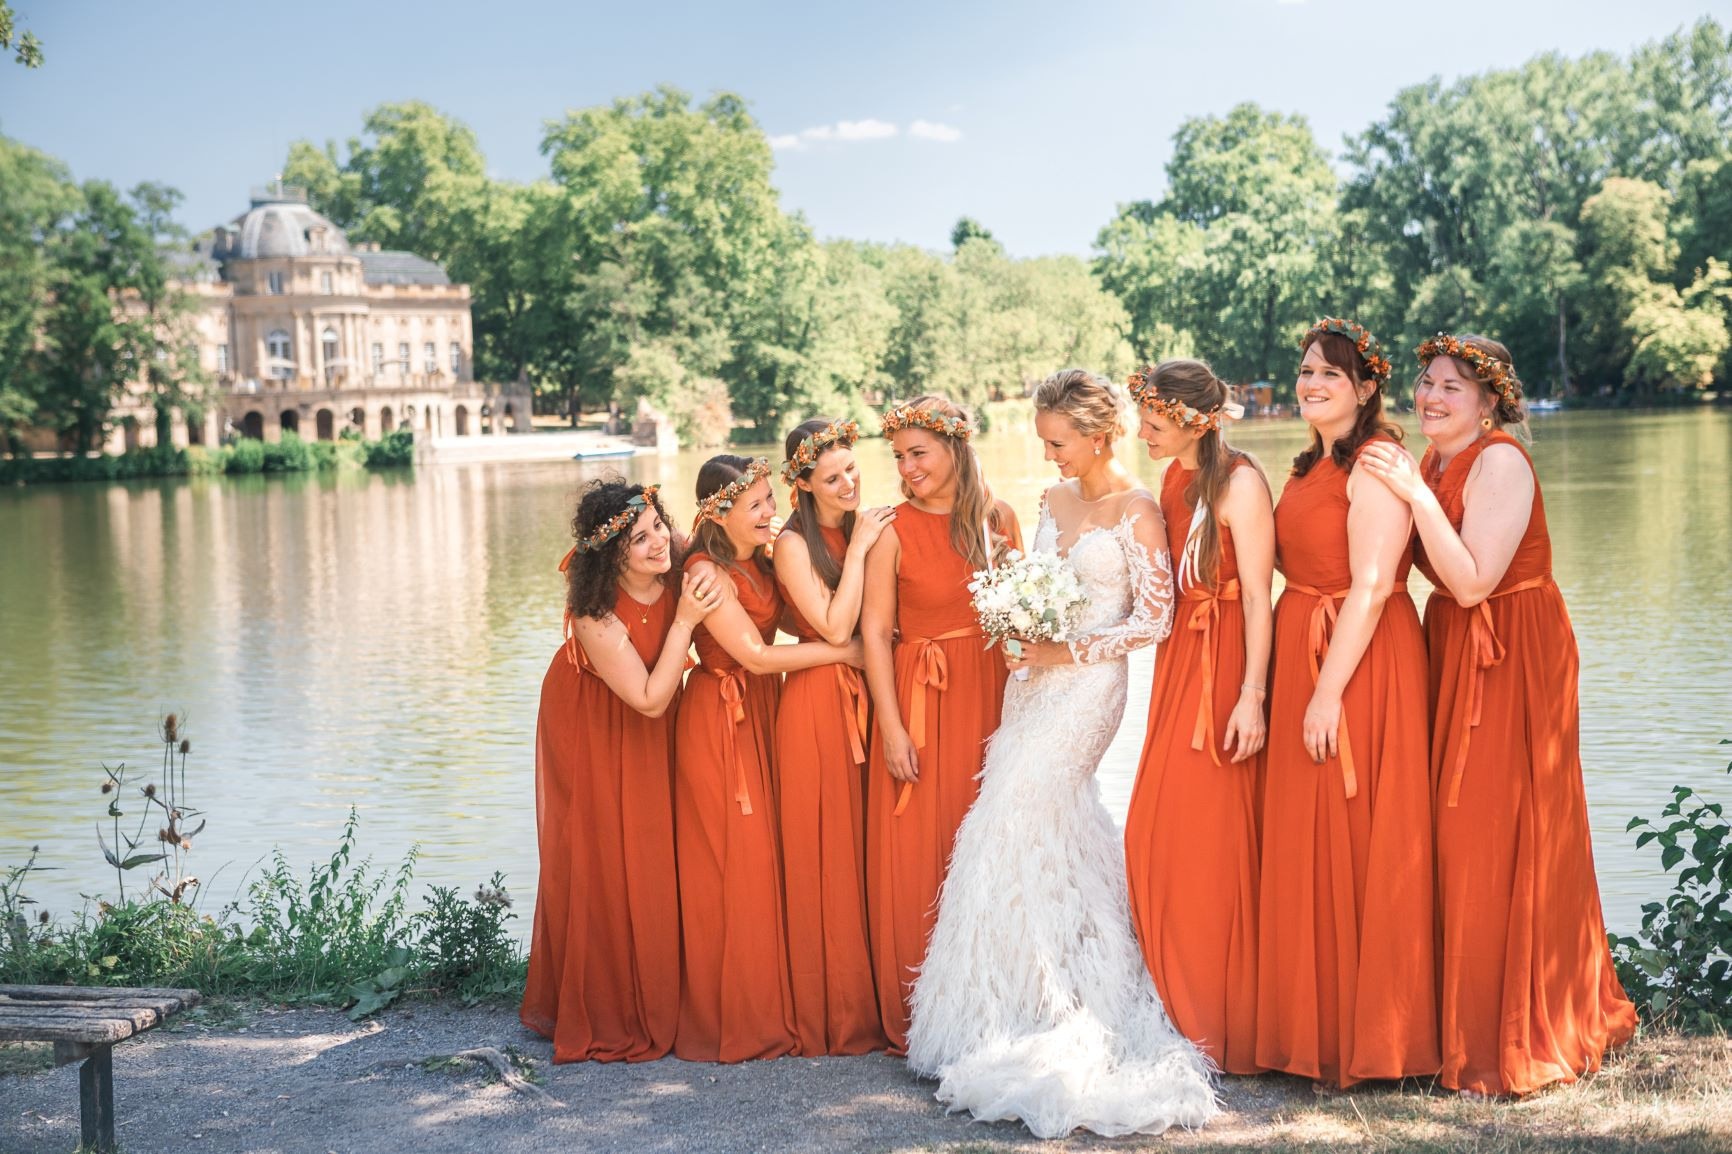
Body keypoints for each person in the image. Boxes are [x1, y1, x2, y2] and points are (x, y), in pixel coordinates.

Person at [905, 370, 1216, 1139]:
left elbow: (1154, 621)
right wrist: (1016, 626)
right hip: (1031, 684)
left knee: (1020, 812)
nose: (1049, 458)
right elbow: (1030, 581)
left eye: (1058, 443)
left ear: (1099, 434)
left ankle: (1069, 998)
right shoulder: (1050, 502)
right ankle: (1008, 997)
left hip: (1086, 691)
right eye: (1043, 444)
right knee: (1026, 819)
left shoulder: (1138, 511)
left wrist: (1061, 646)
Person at [1359, 334, 1637, 1096]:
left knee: (1500, 826)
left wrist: (1414, 497)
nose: (1431, 397)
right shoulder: (1434, 463)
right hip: (1452, 646)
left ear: (1489, 403)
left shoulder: (1501, 462)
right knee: (1453, 831)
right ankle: (1453, 1024)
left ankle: (1514, 1027)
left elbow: (1475, 580)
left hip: (1513, 649)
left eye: (1452, 387)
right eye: (1425, 384)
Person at [1255, 318, 1440, 1087]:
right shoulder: (1305, 466)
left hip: (1360, 663)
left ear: (1366, 389)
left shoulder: (1376, 463)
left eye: (1329, 374)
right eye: (1304, 372)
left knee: (1361, 834)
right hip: (1305, 648)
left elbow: (1370, 585)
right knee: (1308, 837)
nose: (1311, 384)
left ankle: (1378, 1037)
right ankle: (1314, 1026)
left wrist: (1328, 693)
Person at [521, 479, 721, 1062]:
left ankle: (670, 988)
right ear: (613, 554)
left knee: (662, 846)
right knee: (608, 853)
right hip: (594, 726)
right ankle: (609, 1000)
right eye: (640, 539)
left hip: (650, 712)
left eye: (659, 525)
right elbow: (651, 698)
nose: (660, 542)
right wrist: (685, 620)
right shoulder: (595, 615)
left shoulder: (674, 559)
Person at [674, 455, 860, 1062]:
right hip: (721, 716)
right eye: (755, 505)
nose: (770, 511)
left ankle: (777, 999)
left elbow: (797, 616)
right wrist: (842, 655)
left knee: (769, 857)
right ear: (716, 514)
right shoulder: (706, 572)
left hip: (762, 709)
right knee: (739, 859)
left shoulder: (757, 559)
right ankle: (739, 1014)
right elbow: (754, 655)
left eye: (769, 500)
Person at [1122, 359, 1274, 1075]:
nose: (1142, 431)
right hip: (1180, 661)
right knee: (1154, 826)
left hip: (1224, 670)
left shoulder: (1239, 481)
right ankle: (1175, 999)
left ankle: (1220, 1014)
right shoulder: (1171, 481)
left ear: (1190, 418)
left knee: (1207, 833)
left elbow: (1256, 597)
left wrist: (1252, 694)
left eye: (1154, 420)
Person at [861, 395, 1021, 1054]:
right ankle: (920, 1011)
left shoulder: (997, 517)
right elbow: (873, 635)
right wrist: (892, 729)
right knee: (919, 851)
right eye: (898, 456)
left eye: (917, 453)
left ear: (955, 449)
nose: (907, 467)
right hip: (919, 700)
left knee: (984, 845)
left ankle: (989, 998)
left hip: (991, 694)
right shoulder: (890, 530)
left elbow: (1019, 613)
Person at [772, 418, 895, 1055]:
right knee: (827, 852)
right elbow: (832, 624)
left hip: (869, 697)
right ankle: (832, 1009)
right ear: (803, 485)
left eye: (851, 469)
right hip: (817, 706)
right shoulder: (792, 544)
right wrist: (867, 540)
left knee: (866, 848)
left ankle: (879, 996)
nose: (848, 484)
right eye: (832, 477)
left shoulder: (860, 522)